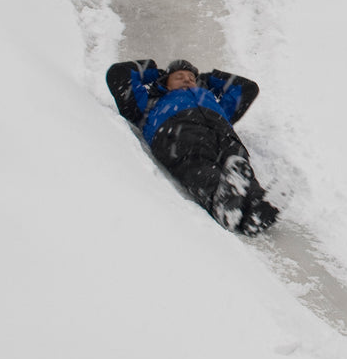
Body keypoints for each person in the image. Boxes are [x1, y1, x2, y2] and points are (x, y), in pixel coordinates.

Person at [106, 58, 279, 235]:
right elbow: (118, 73)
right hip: (177, 130)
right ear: (165, 82)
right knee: (198, 162)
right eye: (179, 76)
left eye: (191, 77)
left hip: (221, 129)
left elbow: (246, 88)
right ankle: (219, 201)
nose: (187, 79)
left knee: (238, 162)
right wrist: (155, 71)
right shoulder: (150, 101)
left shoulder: (210, 99)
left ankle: (256, 209)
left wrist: (210, 79)